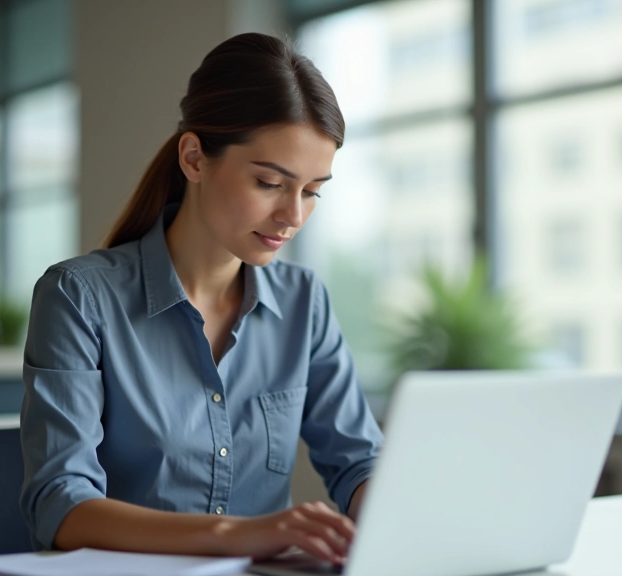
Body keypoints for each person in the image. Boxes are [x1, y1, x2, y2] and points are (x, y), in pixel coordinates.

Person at [19, 33, 383, 566]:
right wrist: (239, 533)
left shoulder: (305, 302)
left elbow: (358, 463)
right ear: (194, 157)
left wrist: (396, 513)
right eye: (269, 182)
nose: (294, 216)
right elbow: (61, 506)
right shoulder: (79, 298)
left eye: (311, 191)